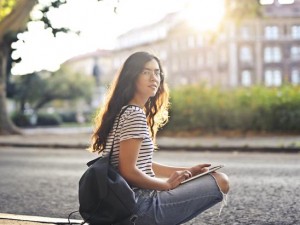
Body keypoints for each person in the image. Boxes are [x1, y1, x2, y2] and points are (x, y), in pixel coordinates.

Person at [90, 51, 229, 225]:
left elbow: (142, 165)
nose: (153, 78)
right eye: (146, 72)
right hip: (139, 207)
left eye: (157, 72)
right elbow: (128, 171)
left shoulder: (125, 111)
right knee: (220, 180)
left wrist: (188, 171)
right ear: (131, 77)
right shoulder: (133, 114)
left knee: (211, 178)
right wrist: (166, 185)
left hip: (127, 205)